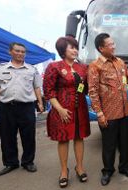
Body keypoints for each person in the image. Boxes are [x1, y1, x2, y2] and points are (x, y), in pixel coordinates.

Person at [88, 33, 128, 186]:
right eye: (110, 44)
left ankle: (124, 167)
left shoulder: (120, 62)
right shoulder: (95, 66)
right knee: (109, 144)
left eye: (113, 43)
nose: (114, 46)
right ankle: (107, 171)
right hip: (108, 113)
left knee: (125, 143)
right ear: (101, 48)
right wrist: (99, 113)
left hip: (125, 112)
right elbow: (92, 92)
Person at [43, 37, 90, 188]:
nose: (75, 50)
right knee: (63, 139)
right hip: (61, 110)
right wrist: (60, 109)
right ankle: (64, 171)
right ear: (63, 50)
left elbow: (86, 87)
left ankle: (79, 167)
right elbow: (49, 91)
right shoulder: (54, 66)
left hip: (80, 109)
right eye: (72, 47)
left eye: (76, 48)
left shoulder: (83, 68)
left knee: (79, 137)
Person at [0, 42, 43, 176]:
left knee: (28, 136)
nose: (20, 53)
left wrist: (40, 103)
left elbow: (37, 87)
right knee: (7, 136)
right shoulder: (0, 68)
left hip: (26, 107)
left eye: (23, 52)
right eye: (17, 51)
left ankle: (28, 162)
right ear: (10, 51)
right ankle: (11, 163)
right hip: (6, 107)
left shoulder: (32, 69)